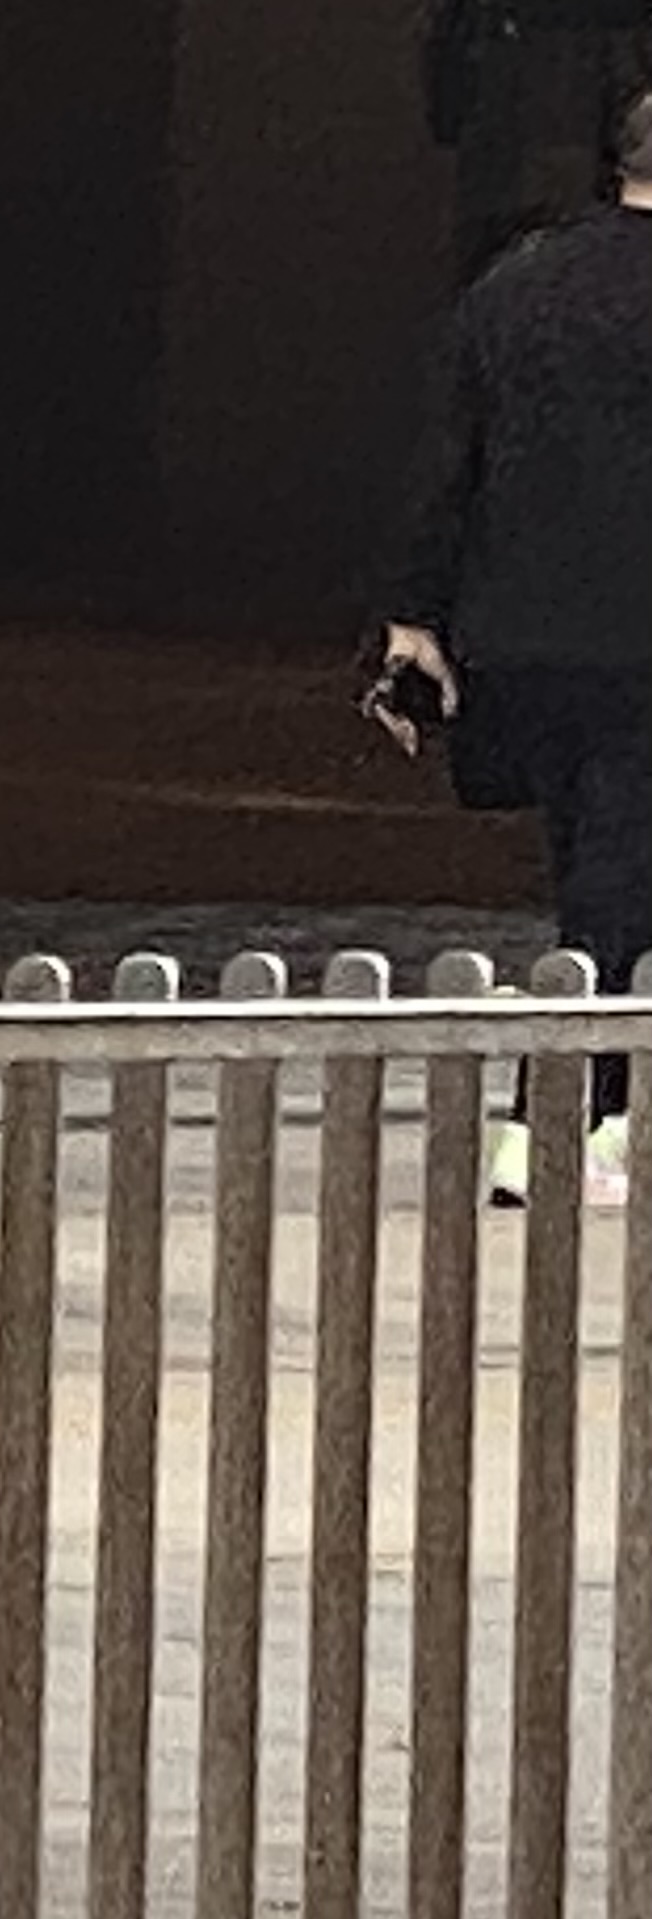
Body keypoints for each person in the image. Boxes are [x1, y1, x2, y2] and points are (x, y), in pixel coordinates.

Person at [380, 80, 652, 1207]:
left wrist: (414, 620)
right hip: (640, 642)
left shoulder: (516, 284)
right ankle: (566, 1124)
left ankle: (577, 1121)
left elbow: (450, 462)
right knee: (615, 888)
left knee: (592, 873)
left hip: (527, 635)